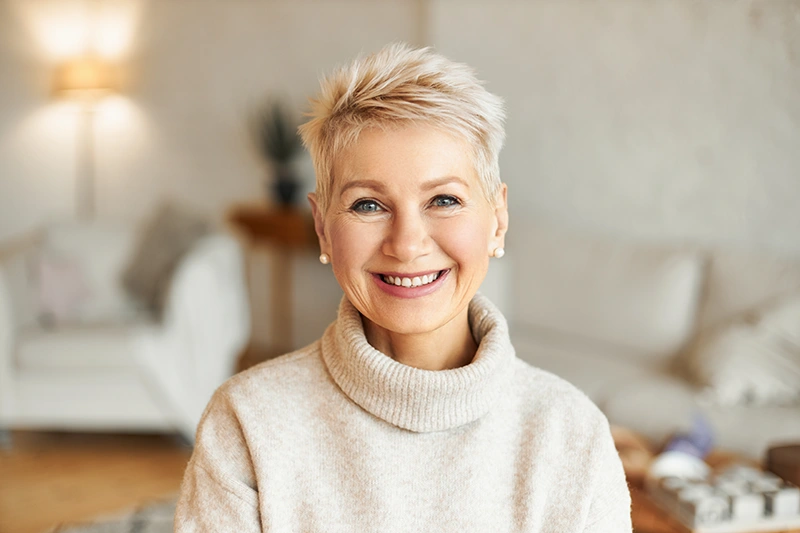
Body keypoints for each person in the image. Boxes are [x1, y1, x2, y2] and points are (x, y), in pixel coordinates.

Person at [174, 43, 631, 532]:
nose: (407, 244)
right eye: (369, 205)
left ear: (497, 220)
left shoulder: (572, 434)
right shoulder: (247, 423)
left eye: (444, 199)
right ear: (323, 228)